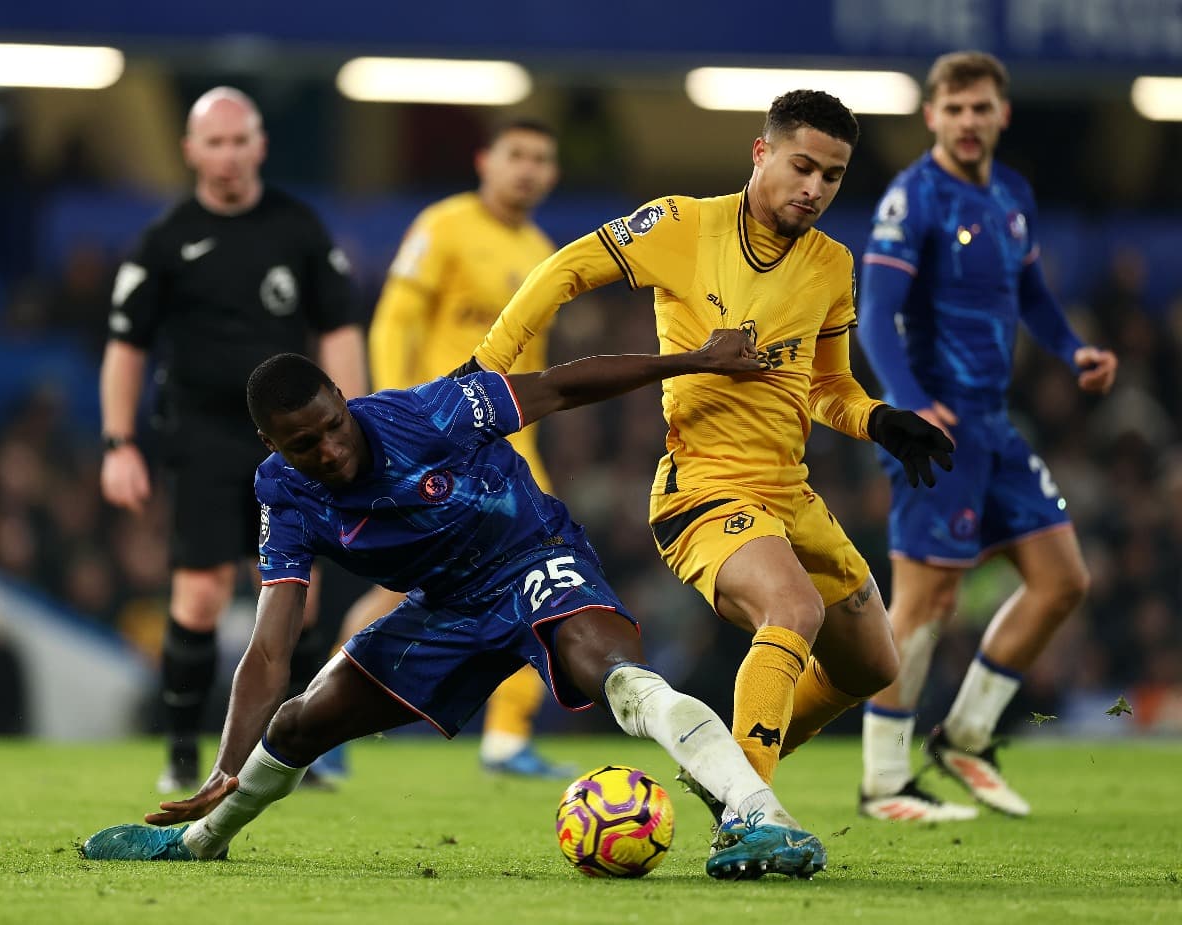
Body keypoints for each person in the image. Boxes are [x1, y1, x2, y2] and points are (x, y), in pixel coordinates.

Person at [82, 328, 828, 880]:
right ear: (271, 443)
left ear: (346, 400)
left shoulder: (432, 412)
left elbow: (562, 386)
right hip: (448, 606)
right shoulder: (282, 489)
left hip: (533, 557)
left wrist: (693, 360)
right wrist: (225, 762)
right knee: (298, 720)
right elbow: (273, 644)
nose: (330, 452)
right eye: (303, 444)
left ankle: (764, 817)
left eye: (333, 427)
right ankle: (198, 840)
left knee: (620, 676)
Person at [463, 90, 954, 853]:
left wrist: (878, 418)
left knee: (871, 663)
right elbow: (562, 270)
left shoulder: (831, 263)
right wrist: (487, 371)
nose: (814, 189)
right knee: (793, 610)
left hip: (790, 493)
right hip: (703, 486)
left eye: (832, 176)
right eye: (801, 167)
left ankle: (727, 769)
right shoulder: (684, 226)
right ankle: (748, 816)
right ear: (761, 153)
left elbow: (827, 388)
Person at [854, 51, 1118, 822]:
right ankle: (882, 781)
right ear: (932, 116)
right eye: (955, 108)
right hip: (932, 426)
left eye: (982, 108)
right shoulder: (914, 198)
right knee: (926, 600)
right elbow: (877, 314)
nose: (969, 121)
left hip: (994, 424)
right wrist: (907, 405)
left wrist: (1074, 352)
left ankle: (964, 735)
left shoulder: (1011, 194)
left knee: (1063, 577)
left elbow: (1031, 292)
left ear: (1003, 115)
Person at [99, 86, 368, 794]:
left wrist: (355, 419)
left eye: (238, 139)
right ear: (191, 150)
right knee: (199, 591)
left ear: (260, 145)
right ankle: (183, 750)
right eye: (212, 142)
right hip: (202, 434)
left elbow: (339, 326)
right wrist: (116, 440)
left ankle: (294, 749)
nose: (227, 155)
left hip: (289, 440)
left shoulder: (298, 228)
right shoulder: (165, 241)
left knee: (294, 593)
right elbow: (126, 346)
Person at [319, 117, 568, 782]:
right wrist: (392, 416)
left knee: (542, 577)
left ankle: (508, 734)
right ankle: (323, 714)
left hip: (508, 451)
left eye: (541, 158)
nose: (528, 169)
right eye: (517, 154)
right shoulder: (444, 225)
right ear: (486, 161)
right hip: (437, 436)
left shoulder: (543, 249)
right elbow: (395, 318)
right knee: (410, 588)